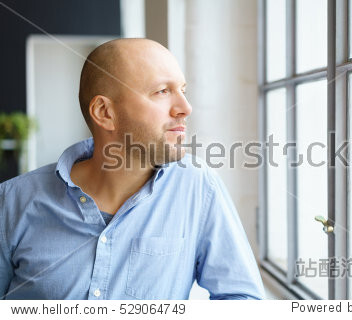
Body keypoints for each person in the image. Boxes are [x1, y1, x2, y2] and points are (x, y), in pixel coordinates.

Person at [0, 38, 265, 300]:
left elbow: (243, 301)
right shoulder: (11, 202)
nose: (185, 108)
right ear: (104, 112)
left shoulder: (198, 188)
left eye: (183, 90)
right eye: (162, 91)